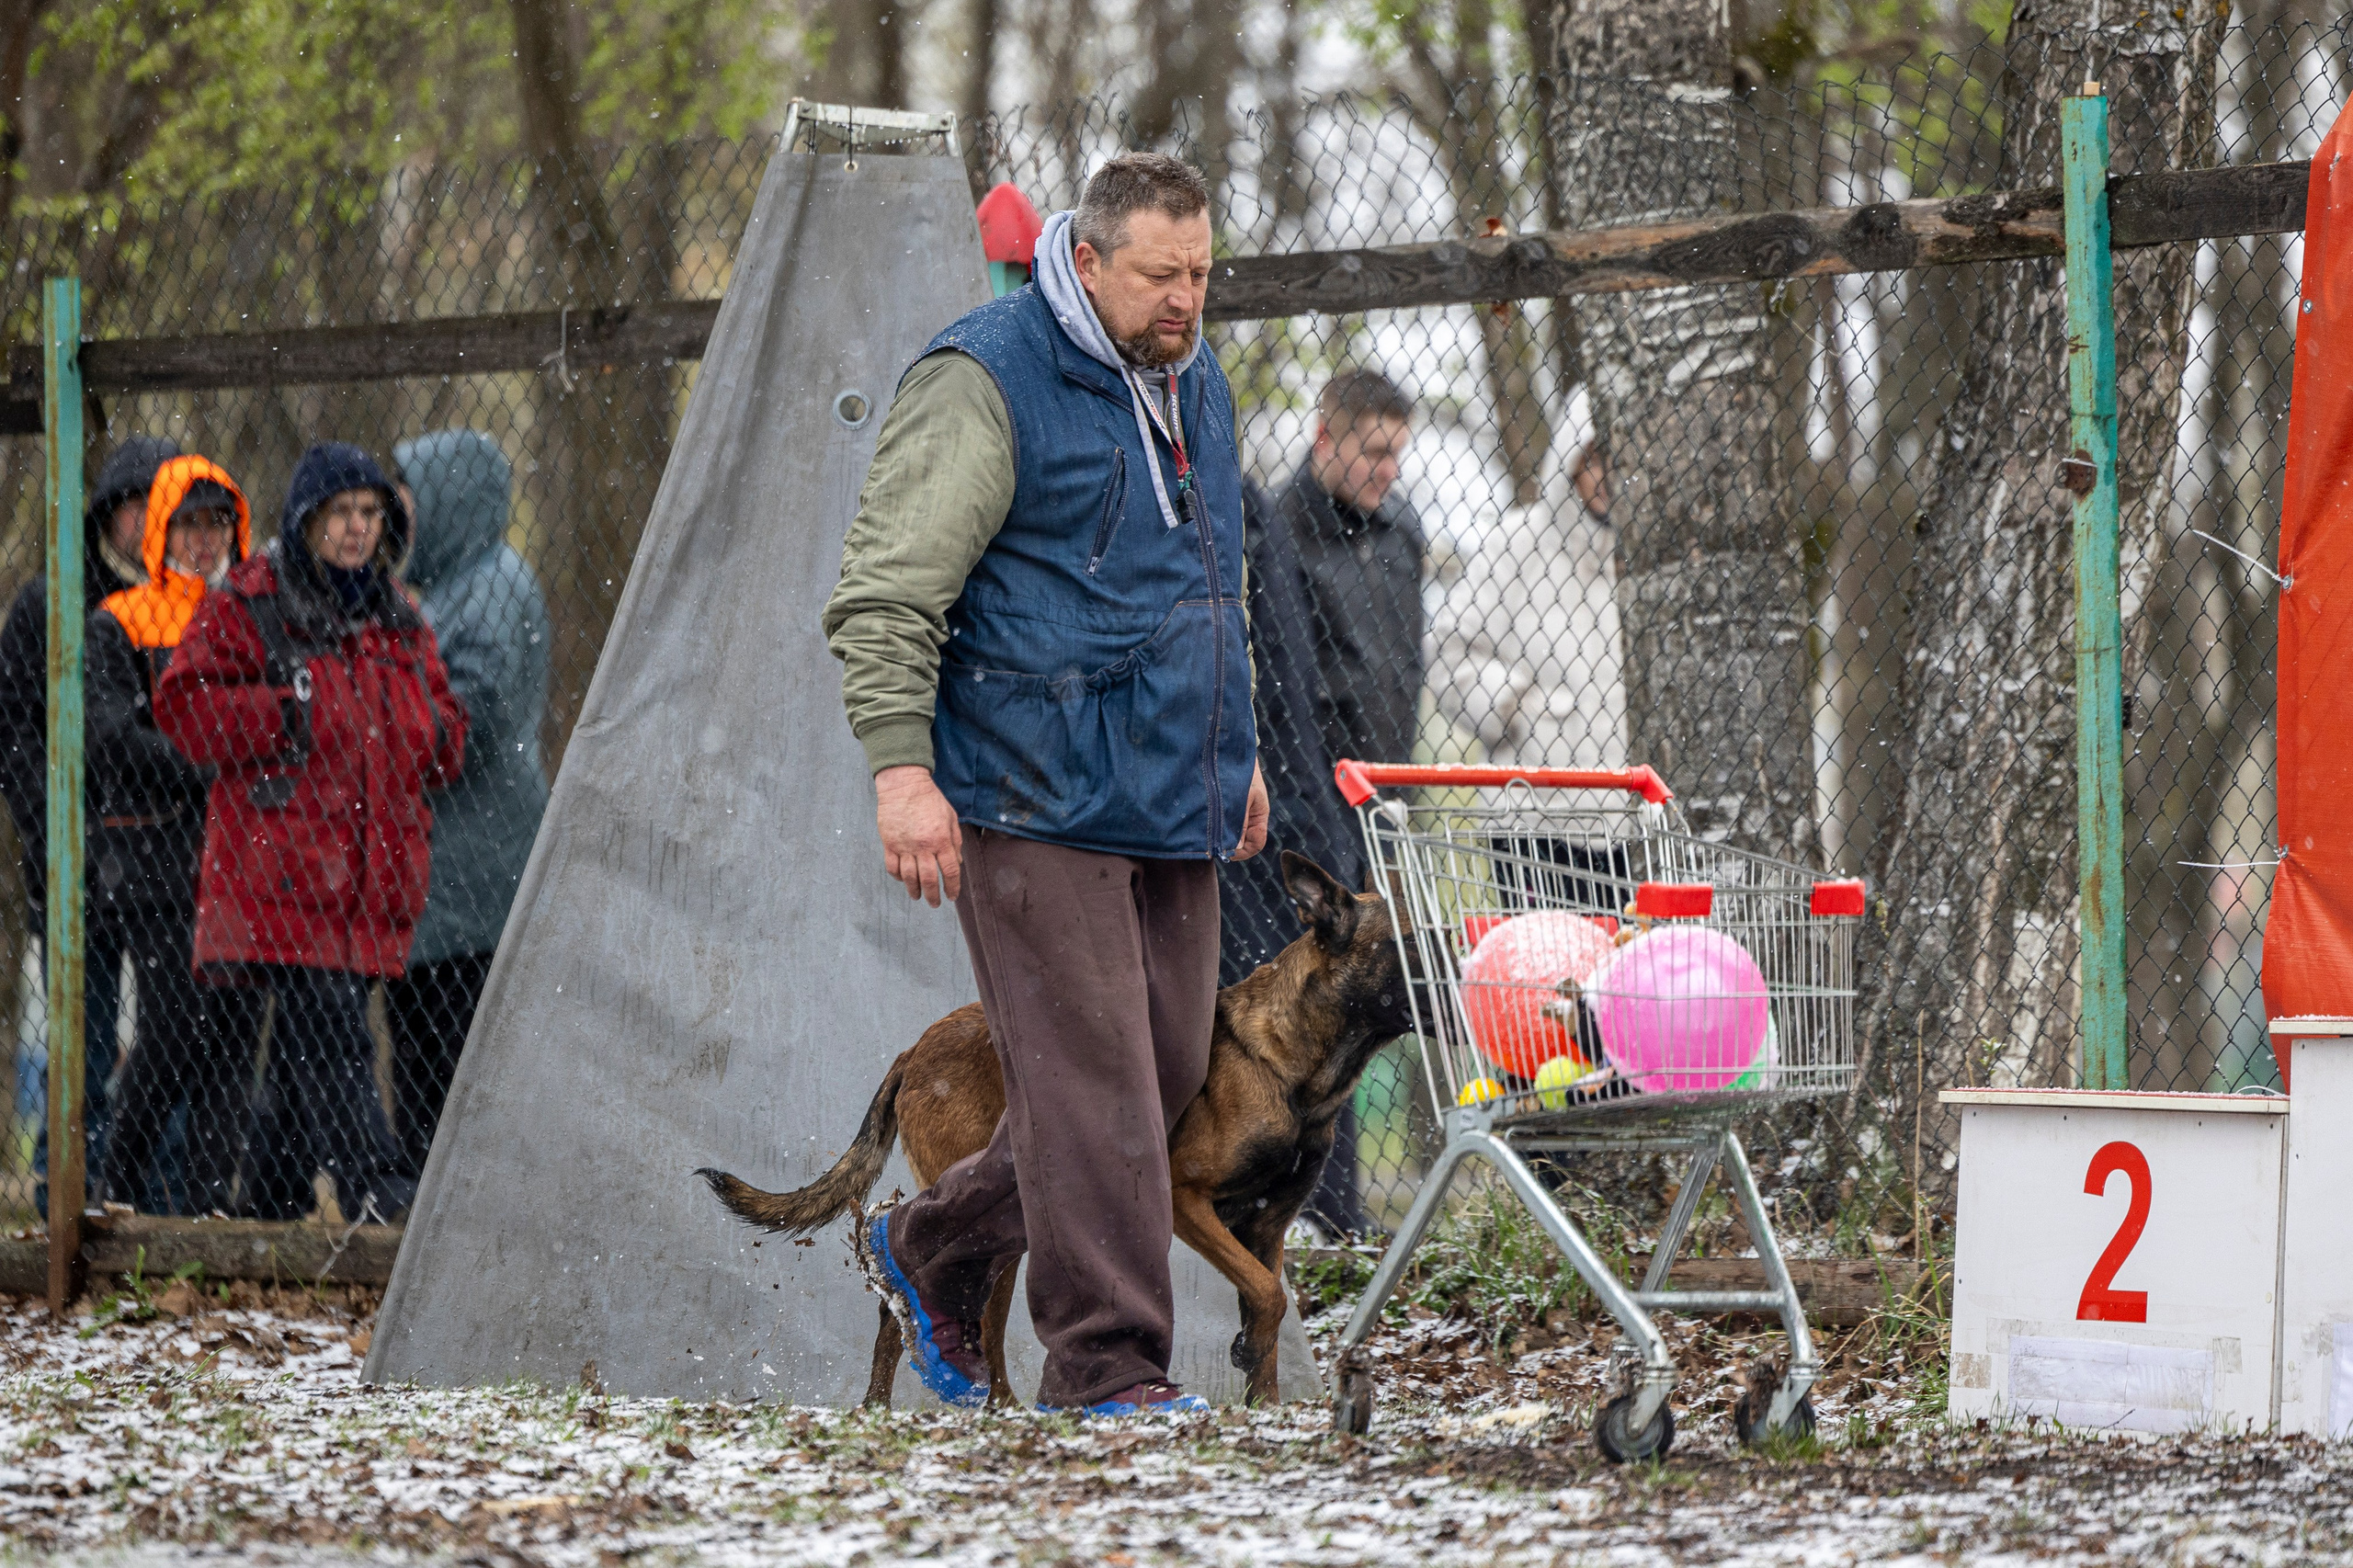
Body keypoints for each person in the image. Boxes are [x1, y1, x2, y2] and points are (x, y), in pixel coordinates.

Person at [822, 153, 1268, 1415]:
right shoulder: (987, 378)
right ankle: (1111, 1367)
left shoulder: (1197, 381)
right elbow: (888, 590)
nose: (1186, 299)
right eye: (1159, 274)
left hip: (1169, 791)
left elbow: (1211, 590)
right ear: (1085, 259)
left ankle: (933, 1243)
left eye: (1201, 273)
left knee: (1164, 1074)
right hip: (1030, 791)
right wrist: (903, 772)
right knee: (1095, 1092)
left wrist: (1234, 760)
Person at [155, 442, 466, 1224]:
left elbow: (445, 734)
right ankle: (380, 1191)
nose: (357, 528)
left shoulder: (400, 616)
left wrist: (423, 733)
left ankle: (270, 1215)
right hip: (282, 871)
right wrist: (279, 717)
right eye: (341, 513)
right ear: (307, 522)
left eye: (369, 513)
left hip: (368, 875)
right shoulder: (254, 602)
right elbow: (184, 706)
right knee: (333, 1044)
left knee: (303, 1071)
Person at [1218, 369, 1423, 1239]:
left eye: (1398, 454)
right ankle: (1302, 1211)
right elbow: (1292, 680)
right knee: (1305, 1013)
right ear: (1324, 439)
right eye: (1373, 452)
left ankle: (1340, 1218)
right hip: (1310, 800)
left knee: (1363, 1018)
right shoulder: (1282, 529)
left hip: (1383, 795)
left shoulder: (1402, 532)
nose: (1387, 471)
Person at [0, 435, 180, 1213]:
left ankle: (160, 1200)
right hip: (77, 863)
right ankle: (68, 1199)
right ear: (107, 517)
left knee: (171, 1039)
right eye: (132, 506)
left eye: (161, 506)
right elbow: (15, 733)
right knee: (81, 1039)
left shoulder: (194, 612)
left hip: (166, 865)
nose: (146, 523)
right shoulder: (52, 603)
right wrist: (52, 837)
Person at [85, 456, 269, 1213]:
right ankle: (118, 1189)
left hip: (245, 858)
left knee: (231, 1036)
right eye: (188, 523)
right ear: (162, 531)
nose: (203, 539)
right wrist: (211, 760)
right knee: (169, 1029)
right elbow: (109, 735)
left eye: (216, 522)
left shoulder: (257, 615)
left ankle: (211, 1206)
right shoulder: (123, 620)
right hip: (156, 858)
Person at [386, 429, 550, 1177]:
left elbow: (471, 719)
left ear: (451, 498)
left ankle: (440, 1213)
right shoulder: (461, 584)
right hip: (452, 874)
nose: (399, 520)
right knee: (431, 1065)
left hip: (472, 879)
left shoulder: (488, 587)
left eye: (411, 501)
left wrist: (382, 732)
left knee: (449, 1069)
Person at [1213, 475, 1369, 1238]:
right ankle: (1285, 1212)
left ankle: (1317, 1218)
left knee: (1304, 1024)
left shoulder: (1238, 505)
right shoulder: (1258, 506)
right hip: (1273, 782)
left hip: (1282, 783)